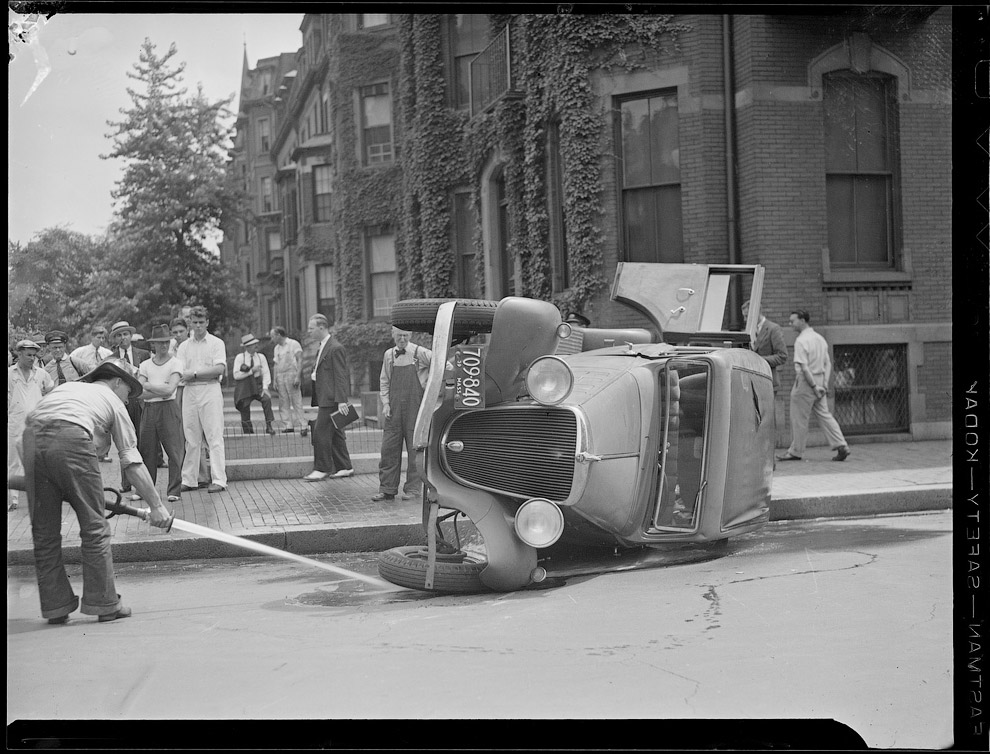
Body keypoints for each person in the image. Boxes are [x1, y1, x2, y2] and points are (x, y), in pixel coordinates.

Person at [23, 359, 172, 624]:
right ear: (117, 382)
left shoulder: (68, 390)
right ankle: (104, 604)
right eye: (129, 391)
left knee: (44, 533)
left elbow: (40, 434)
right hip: (71, 437)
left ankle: (56, 607)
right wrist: (156, 505)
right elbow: (131, 461)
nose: (128, 400)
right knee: (94, 528)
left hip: (31, 437)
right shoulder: (113, 401)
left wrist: (52, 481)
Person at [778, 309, 851, 463]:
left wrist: (813, 386)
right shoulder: (819, 338)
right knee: (824, 414)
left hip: (806, 382)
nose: (791, 324)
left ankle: (795, 451)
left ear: (803, 320)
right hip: (819, 380)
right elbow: (828, 363)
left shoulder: (801, 341)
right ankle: (841, 444)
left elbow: (804, 367)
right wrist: (823, 384)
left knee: (799, 418)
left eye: (793, 320)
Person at [372, 327, 432, 502]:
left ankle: (413, 489)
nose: (402, 339)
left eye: (406, 335)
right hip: (394, 409)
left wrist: (427, 381)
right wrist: (386, 404)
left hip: (415, 408)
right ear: (392, 335)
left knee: (416, 450)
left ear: (411, 336)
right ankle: (387, 489)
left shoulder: (419, 352)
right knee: (388, 449)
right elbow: (384, 381)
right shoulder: (389, 355)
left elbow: (443, 364)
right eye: (399, 336)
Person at [176, 306, 228, 493]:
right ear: (190, 322)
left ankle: (219, 479)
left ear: (207, 322)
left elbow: (218, 369)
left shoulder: (216, 343)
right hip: (190, 391)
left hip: (210, 390)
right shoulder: (183, 346)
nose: (197, 326)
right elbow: (181, 373)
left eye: (201, 322)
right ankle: (189, 479)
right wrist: (193, 375)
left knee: (214, 436)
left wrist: (195, 374)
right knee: (191, 437)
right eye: (194, 322)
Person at [136, 325, 185, 503]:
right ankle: (146, 490)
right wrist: (159, 389)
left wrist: (149, 385)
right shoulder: (145, 365)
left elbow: (170, 389)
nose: (163, 346)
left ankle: (174, 490)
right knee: (147, 450)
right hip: (149, 409)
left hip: (168, 408)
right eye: (159, 343)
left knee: (174, 449)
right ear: (153, 345)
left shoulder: (175, 363)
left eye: (166, 342)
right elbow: (138, 392)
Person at [302, 314, 353, 482]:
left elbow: (340, 376)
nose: (309, 331)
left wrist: (341, 401)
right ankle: (345, 467)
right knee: (336, 433)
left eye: (311, 328)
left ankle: (321, 468)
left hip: (330, 399)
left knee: (320, 433)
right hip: (325, 397)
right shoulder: (325, 346)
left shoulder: (334, 348)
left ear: (322, 327)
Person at [8, 340, 56, 511]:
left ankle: (39, 495)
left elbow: (51, 391)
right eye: (28, 355)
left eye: (34, 355)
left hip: (37, 422)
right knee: (14, 460)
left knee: (38, 460)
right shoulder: (10, 374)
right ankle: (12, 499)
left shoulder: (41, 374)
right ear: (19, 354)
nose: (32, 358)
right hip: (15, 421)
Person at [109, 321, 150, 492]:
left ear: (130, 336)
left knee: (142, 441)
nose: (122, 338)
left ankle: (143, 482)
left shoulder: (144, 355)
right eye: (118, 335)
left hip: (140, 401)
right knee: (124, 442)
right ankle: (126, 483)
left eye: (125, 334)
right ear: (115, 339)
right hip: (121, 404)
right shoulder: (110, 359)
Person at [741, 300, 788, 429]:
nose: (745, 320)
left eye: (747, 316)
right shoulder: (748, 331)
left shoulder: (773, 329)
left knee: (765, 420)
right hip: (751, 382)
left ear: (755, 314)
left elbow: (782, 356)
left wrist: (759, 360)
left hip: (768, 381)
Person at [232, 333, 276, 435]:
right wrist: (251, 371)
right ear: (247, 347)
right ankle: (248, 431)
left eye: (255, 344)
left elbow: (266, 373)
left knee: (266, 400)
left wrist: (265, 388)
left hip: (258, 385)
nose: (255, 346)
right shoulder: (240, 358)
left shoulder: (261, 357)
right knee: (244, 406)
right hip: (245, 387)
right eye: (252, 345)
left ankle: (269, 426)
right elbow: (236, 375)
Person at [270, 326, 306, 436]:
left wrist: (298, 376)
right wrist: (274, 379)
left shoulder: (293, 344)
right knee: (283, 401)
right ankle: (288, 425)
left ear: (278, 335)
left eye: (273, 336)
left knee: (296, 400)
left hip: (291, 373)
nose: (272, 339)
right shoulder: (277, 348)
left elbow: (300, 360)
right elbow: (276, 365)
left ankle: (303, 425)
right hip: (280, 375)